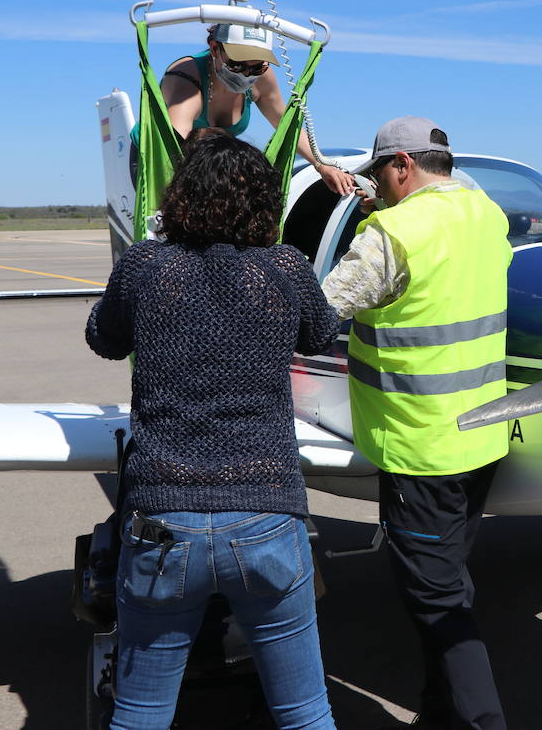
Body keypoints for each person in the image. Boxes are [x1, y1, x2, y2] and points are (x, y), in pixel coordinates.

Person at [86, 129, 341, 730]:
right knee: (305, 712)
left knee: (142, 712)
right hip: (266, 514)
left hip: (161, 521)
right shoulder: (284, 268)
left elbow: (102, 337)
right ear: (263, 203)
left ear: (180, 198)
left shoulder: (147, 265)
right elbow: (322, 333)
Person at [321, 116, 512, 730]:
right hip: (481, 436)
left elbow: (319, 312)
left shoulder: (393, 232)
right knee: (450, 584)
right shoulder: (487, 215)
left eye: (380, 173)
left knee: (438, 604)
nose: (377, 185)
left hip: (420, 449)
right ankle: (440, 715)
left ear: (402, 164)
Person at [147, 22, 355, 195]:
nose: (247, 74)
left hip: (210, 158)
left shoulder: (262, 79)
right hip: (159, 156)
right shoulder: (185, 76)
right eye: (237, 65)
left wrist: (321, 164)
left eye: (257, 67)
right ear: (214, 49)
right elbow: (175, 148)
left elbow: (285, 125)